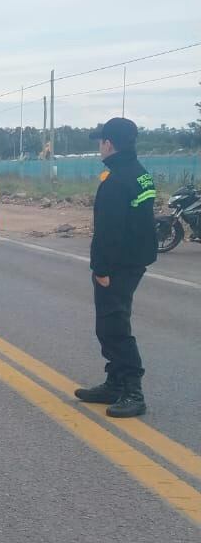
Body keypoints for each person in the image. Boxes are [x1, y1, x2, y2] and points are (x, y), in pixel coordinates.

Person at [74, 117, 157, 418]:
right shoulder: (139, 173)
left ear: (109, 144)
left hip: (119, 266)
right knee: (112, 323)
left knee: (113, 326)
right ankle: (114, 383)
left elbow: (108, 231)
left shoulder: (115, 181)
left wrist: (101, 269)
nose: (100, 147)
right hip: (135, 259)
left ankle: (133, 391)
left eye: (101, 142)